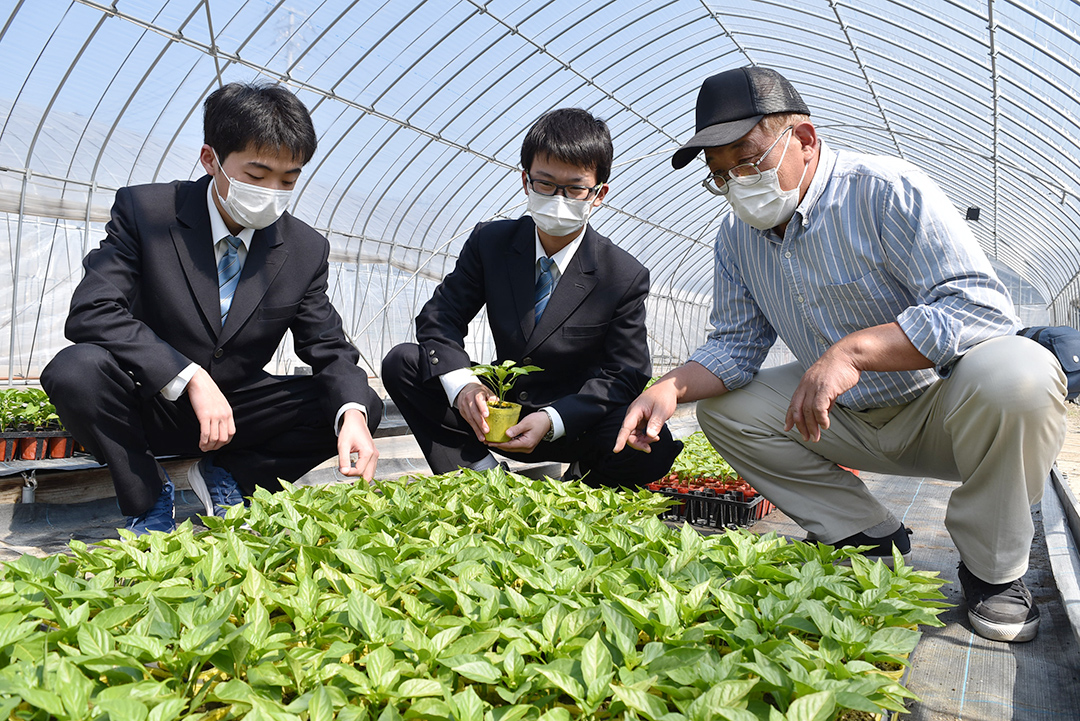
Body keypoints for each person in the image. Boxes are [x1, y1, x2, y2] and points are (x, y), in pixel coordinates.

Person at [615, 66, 1066, 643]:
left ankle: (992, 572)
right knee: (725, 411)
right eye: (720, 175)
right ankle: (866, 534)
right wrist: (668, 389)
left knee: (1019, 375)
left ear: (803, 140)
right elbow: (734, 346)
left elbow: (980, 310)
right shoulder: (736, 239)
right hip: (841, 418)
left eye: (748, 161)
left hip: (943, 411)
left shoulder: (885, 190)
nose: (736, 184)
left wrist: (853, 352)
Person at [41, 82, 382, 535]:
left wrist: (354, 417)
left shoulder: (303, 248)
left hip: (237, 411)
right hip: (151, 401)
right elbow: (93, 309)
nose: (273, 192)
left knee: (357, 402)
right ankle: (147, 496)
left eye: (289, 179)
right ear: (210, 159)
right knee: (75, 369)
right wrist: (189, 376)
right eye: (257, 176)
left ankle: (231, 478)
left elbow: (329, 347)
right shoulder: (148, 212)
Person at [382, 108, 681, 488]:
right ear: (526, 181)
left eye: (574, 188)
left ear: (599, 194)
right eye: (545, 183)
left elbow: (625, 374)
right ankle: (480, 476)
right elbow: (441, 317)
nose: (559, 198)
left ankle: (582, 485)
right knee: (404, 362)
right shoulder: (492, 243)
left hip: (571, 423)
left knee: (650, 443)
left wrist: (554, 419)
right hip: (498, 410)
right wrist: (465, 387)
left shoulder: (621, 274)